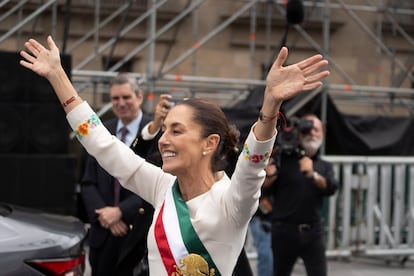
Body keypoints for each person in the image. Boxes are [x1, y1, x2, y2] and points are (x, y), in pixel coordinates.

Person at [19, 35, 329, 275]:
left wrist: (270, 107)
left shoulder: (233, 199)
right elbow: (102, 143)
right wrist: (58, 76)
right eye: (164, 129)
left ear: (209, 143)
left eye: (177, 131)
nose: (164, 139)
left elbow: (252, 164)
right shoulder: (161, 186)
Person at [79, 73, 171, 276]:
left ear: (139, 97)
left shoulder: (159, 133)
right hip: (103, 234)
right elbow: (87, 182)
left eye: (126, 97)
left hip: (138, 236)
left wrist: (121, 211)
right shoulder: (102, 130)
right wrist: (105, 214)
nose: (121, 103)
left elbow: (156, 180)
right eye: (115, 98)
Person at [270, 113, 339, 276]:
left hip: (313, 231)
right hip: (283, 232)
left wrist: (313, 174)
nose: (312, 133)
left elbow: (332, 187)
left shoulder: (324, 165)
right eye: (307, 129)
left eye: (316, 129)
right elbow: (265, 189)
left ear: (322, 134)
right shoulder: (283, 159)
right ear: (299, 132)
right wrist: (269, 173)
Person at [248, 155, 276, 276]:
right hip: (261, 215)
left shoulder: (287, 157)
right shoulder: (255, 152)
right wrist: (269, 174)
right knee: (266, 255)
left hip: (282, 214)